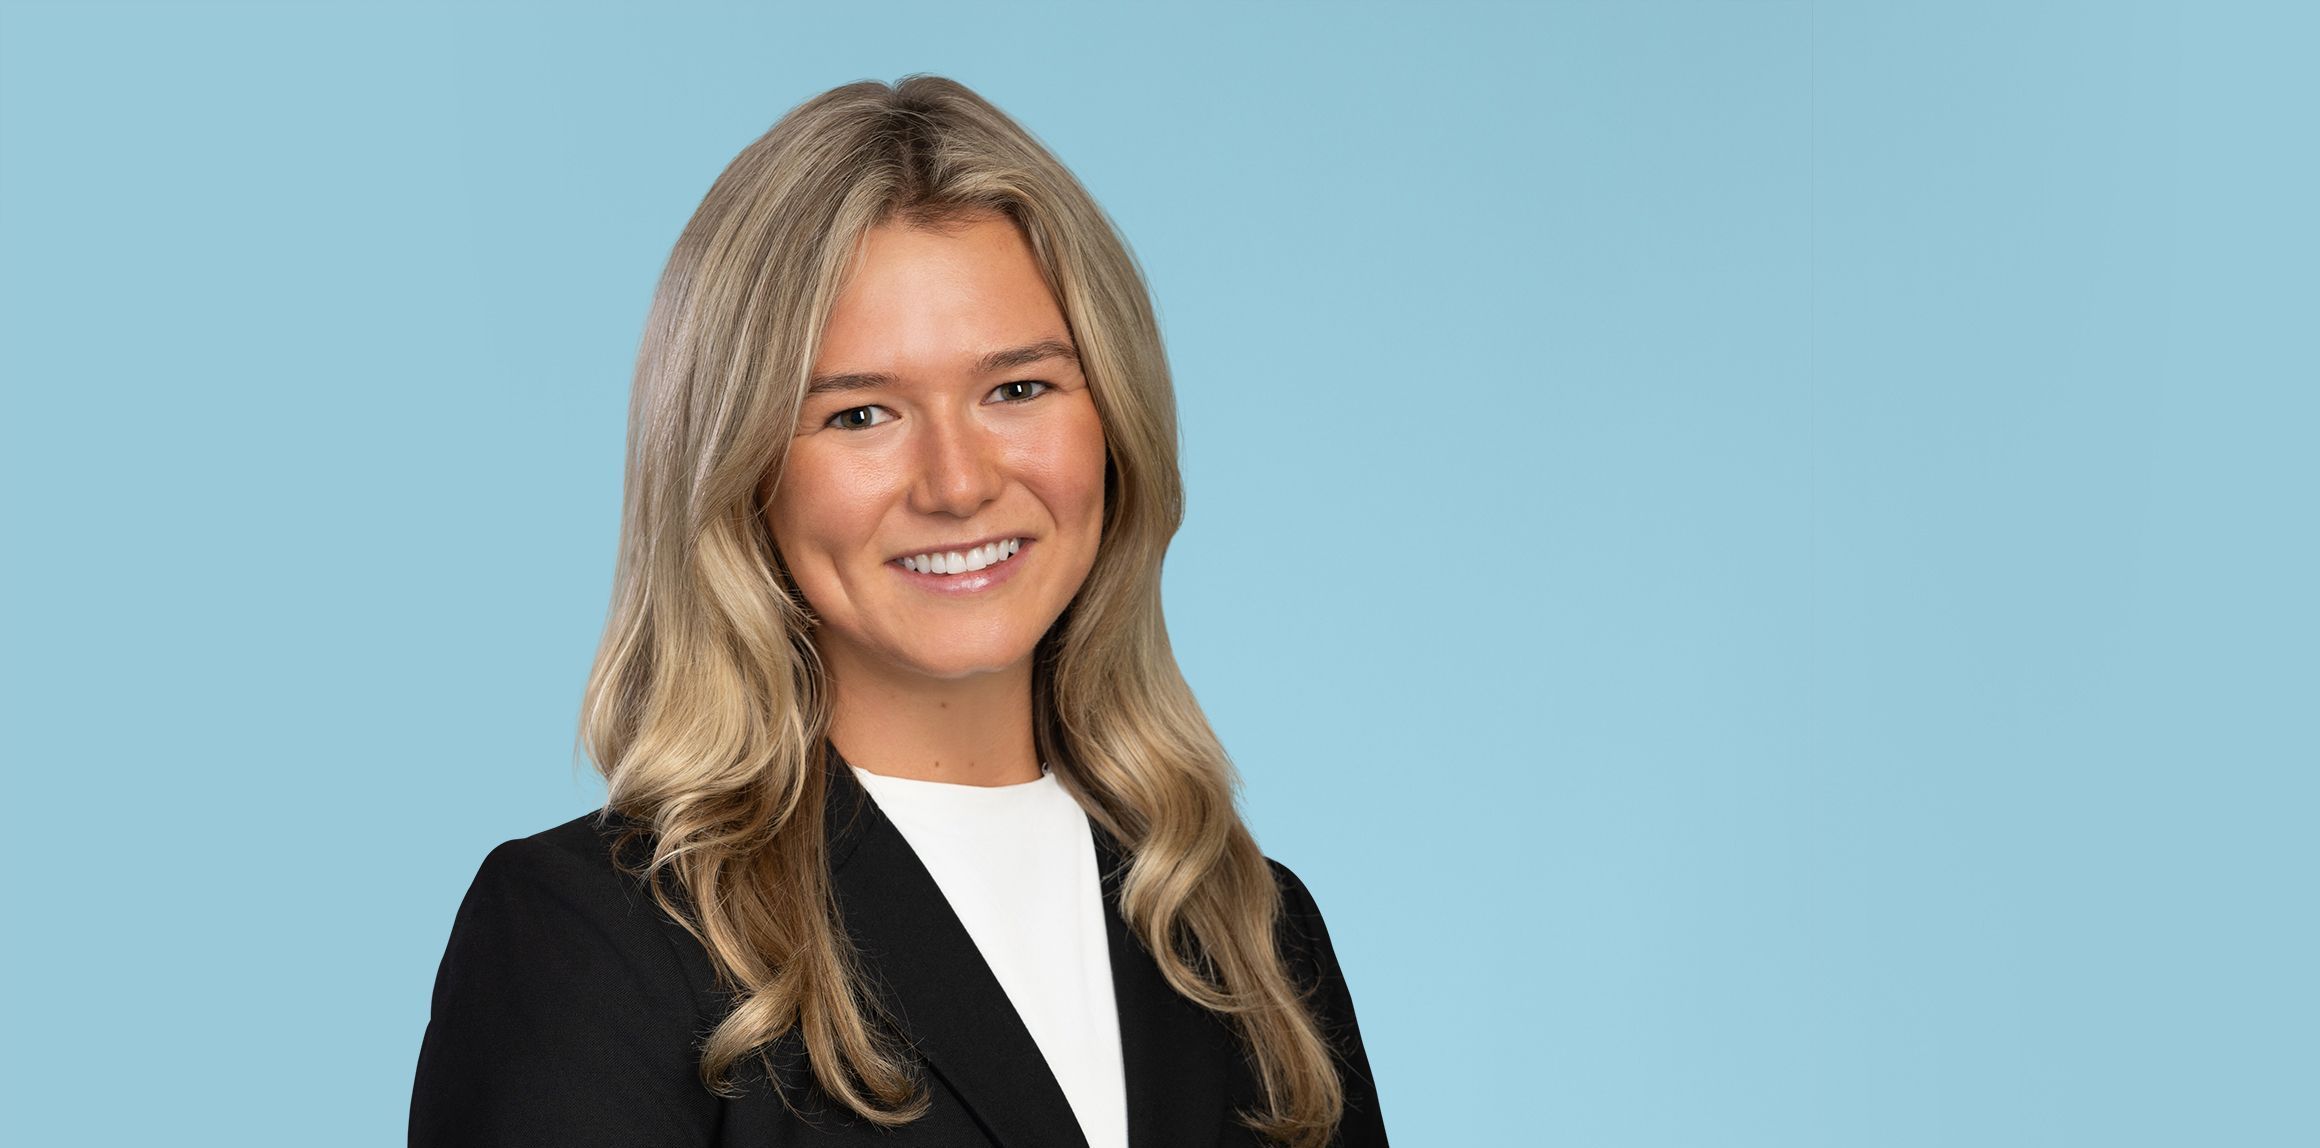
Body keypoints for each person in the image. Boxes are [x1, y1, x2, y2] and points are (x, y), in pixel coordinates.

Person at [409, 74, 1388, 1148]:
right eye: (861, 413)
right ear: (739, 471)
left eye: (1018, 389)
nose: (958, 483)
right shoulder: (596, 937)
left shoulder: (1251, 936)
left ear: (1114, 421)